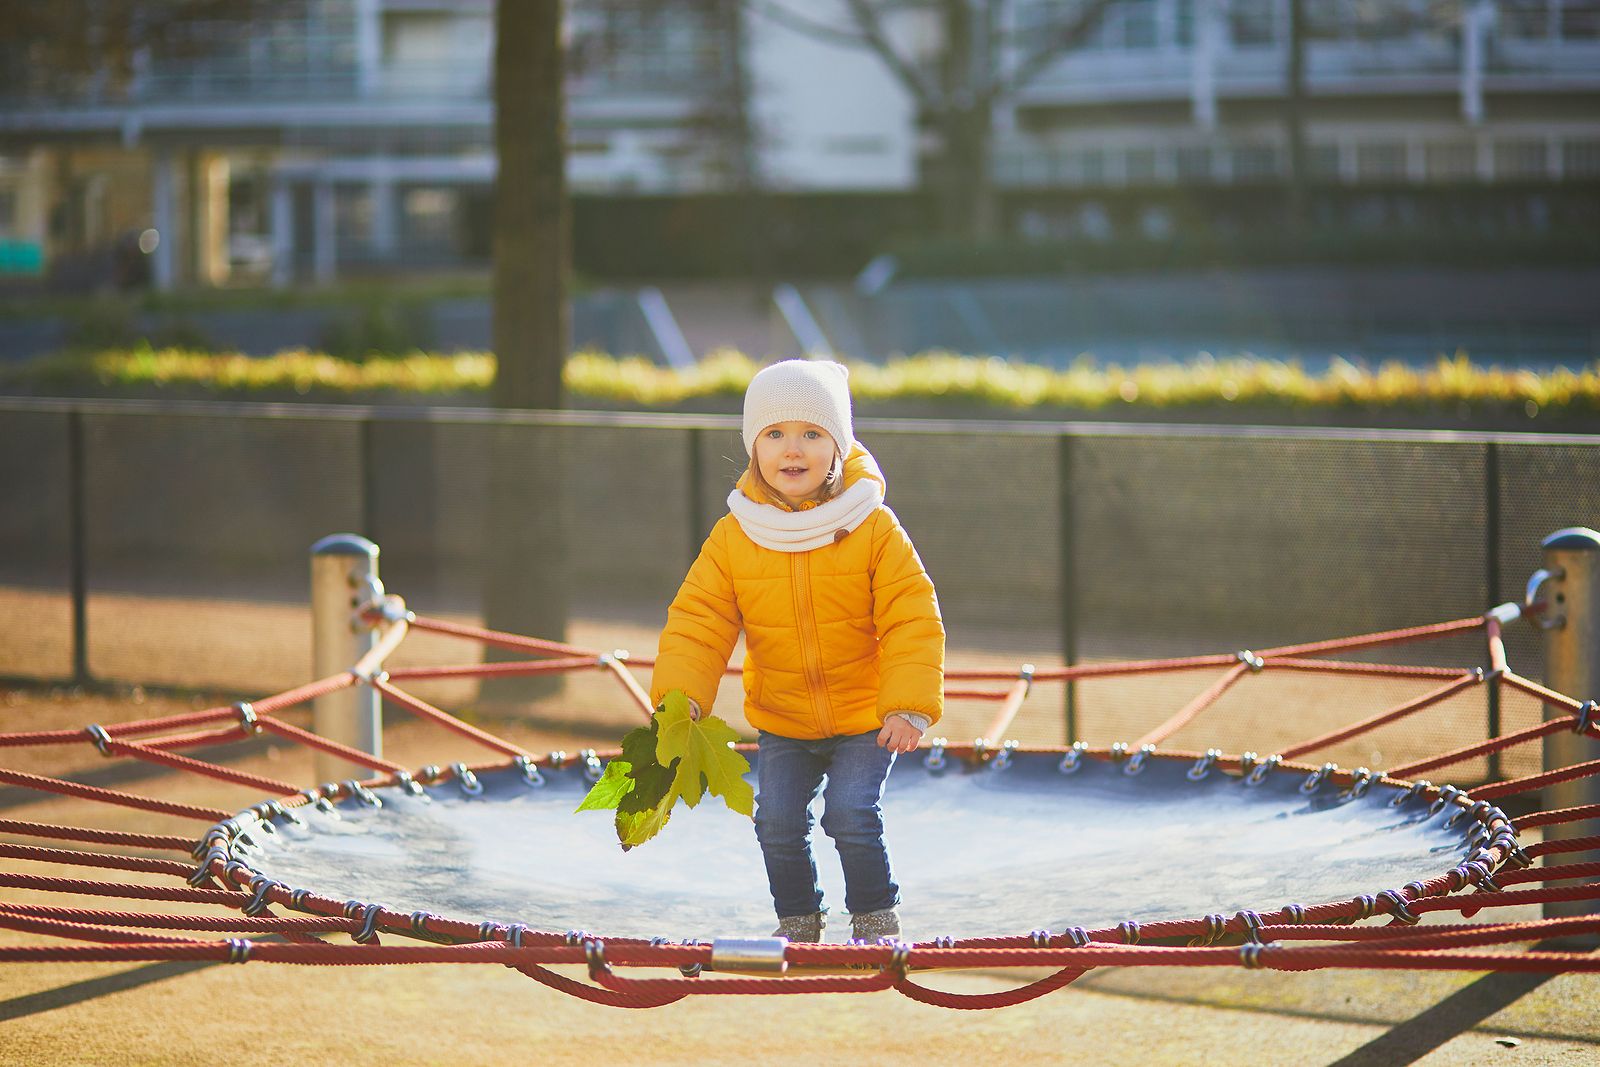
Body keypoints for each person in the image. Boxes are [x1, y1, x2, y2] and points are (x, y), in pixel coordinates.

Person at [650, 358, 945, 943]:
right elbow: (699, 621)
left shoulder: (873, 526)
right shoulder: (737, 535)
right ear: (754, 447)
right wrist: (681, 698)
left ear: (838, 446)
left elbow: (912, 616)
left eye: (812, 434)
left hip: (866, 717)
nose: (793, 449)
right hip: (785, 717)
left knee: (850, 814)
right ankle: (799, 925)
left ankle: (875, 924)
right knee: (777, 823)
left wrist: (908, 705)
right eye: (774, 434)